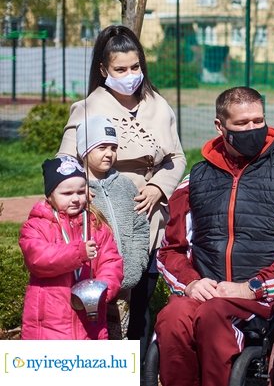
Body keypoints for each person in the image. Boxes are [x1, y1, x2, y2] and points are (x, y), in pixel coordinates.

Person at [155, 86, 274, 386]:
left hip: (266, 298)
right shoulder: (195, 180)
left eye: (258, 121)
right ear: (221, 126)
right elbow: (170, 251)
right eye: (242, 124)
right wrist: (191, 283)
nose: (252, 129)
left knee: (214, 314)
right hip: (208, 292)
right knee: (173, 316)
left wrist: (252, 287)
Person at [58, 24, 185, 354]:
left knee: (141, 307)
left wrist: (159, 186)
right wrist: (89, 196)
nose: (130, 74)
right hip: (104, 219)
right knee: (106, 309)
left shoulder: (158, 105)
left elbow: (177, 157)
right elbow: (65, 164)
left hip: (149, 217)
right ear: (103, 70)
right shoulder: (88, 108)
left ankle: (140, 371)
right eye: (120, 69)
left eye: (135, 67)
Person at [19, 156, 123, 340]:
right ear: (49, 196)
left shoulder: (96, 225)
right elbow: (38, 259)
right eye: (67, 194)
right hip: (48, 328)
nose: (75, 199)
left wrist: (100, 293)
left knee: (90, 368)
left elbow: (112, 262)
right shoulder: (36, 226)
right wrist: (78, 252)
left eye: (81, 192)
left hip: (90, 321)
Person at [76, 115, 150, 339]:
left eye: (113, 147)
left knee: (119, 340)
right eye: (101, 147)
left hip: (122, 284)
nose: (109, 153)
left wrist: (135, 265)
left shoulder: (126, 186)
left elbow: (140, 227)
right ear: (83, 149)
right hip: (87, 288)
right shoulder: (76, 190)